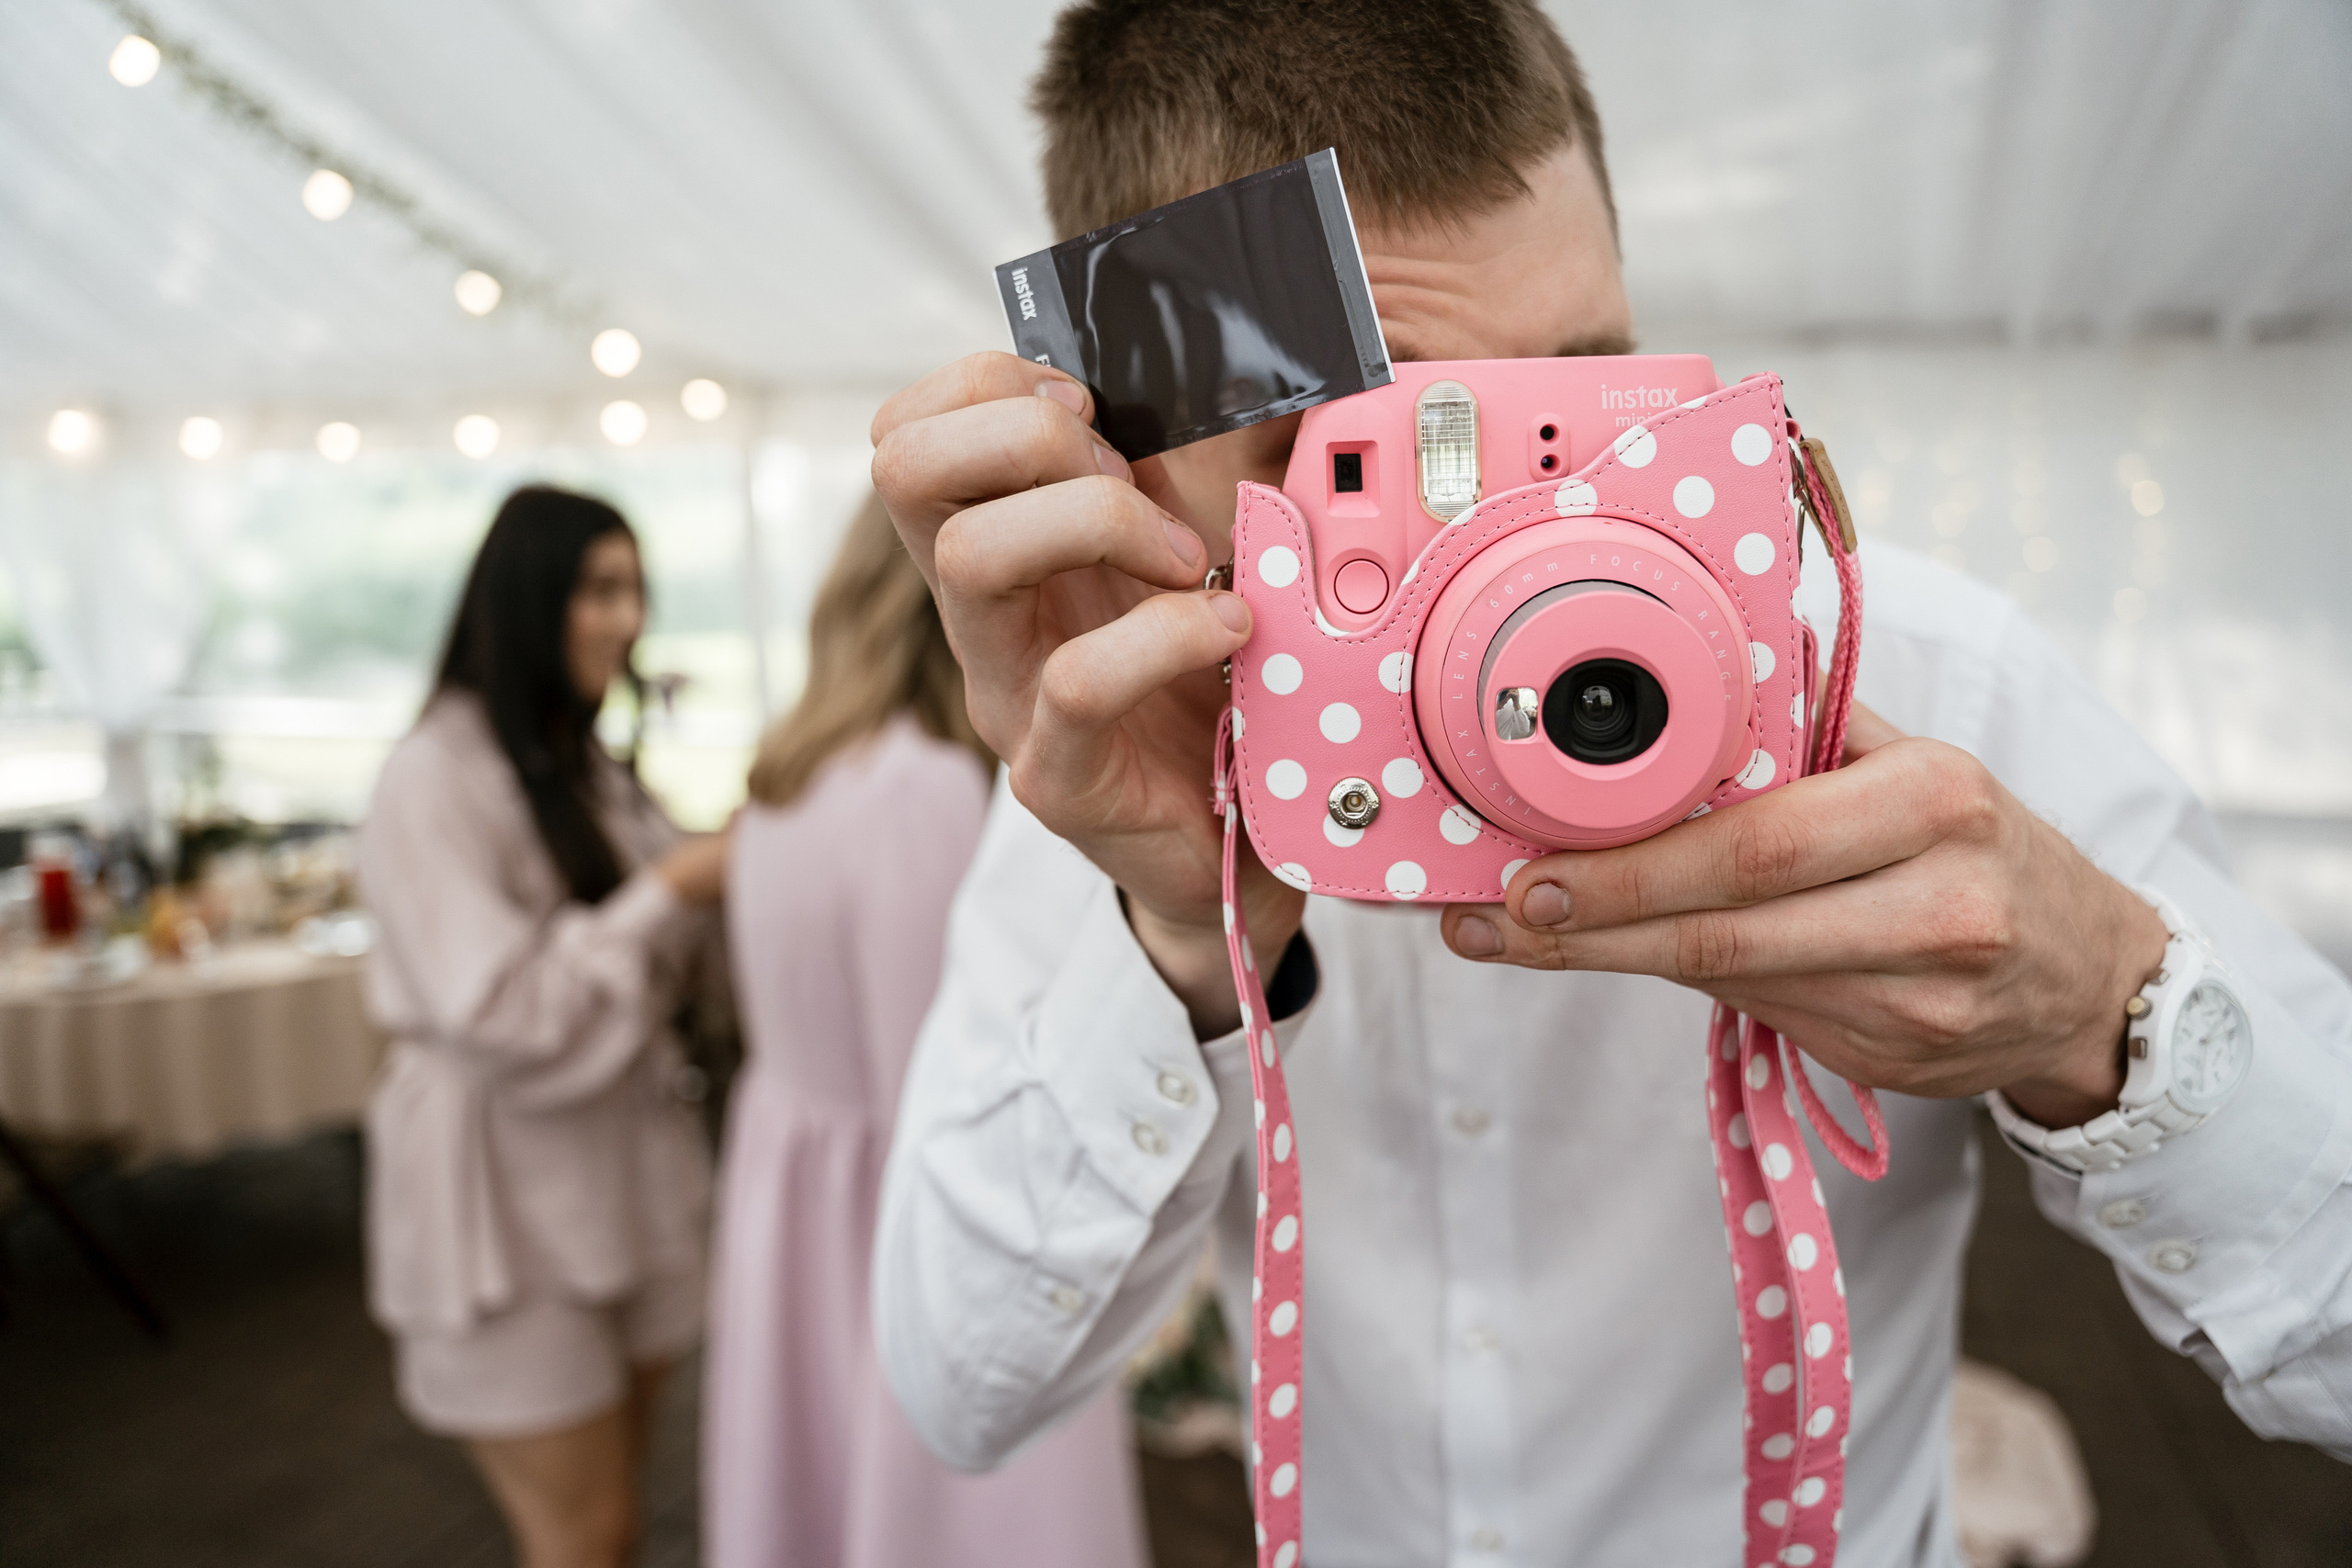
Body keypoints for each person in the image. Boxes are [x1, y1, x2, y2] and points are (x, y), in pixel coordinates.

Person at [867, 4, 2352, 1565]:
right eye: (1393, 456)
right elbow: (958, 1393)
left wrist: (2104, 1012)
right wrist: (1177, 940)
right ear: (1139, 458)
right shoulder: (1126, 752)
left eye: (1578, 411)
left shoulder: (1915, 673)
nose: (1527, 546)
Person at [705, 497, 1148, 1568]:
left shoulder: (789, 775)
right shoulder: (920, 792)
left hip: (796, 1186)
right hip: (901, 1202)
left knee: (817, 1484)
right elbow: (952, 1074)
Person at [358, 485, 727, 1568]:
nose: (626, 619)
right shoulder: (429, 779)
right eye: (599, 589)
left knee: (617, 1508)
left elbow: (684, 930)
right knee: (585, 1533)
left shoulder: (587, 766)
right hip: (505, 1205)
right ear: (529, 600)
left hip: (623, 1172)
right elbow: (504, 1012)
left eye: (635, 590)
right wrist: (675, 889)